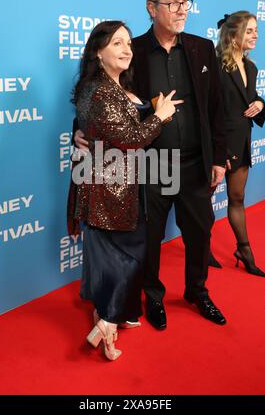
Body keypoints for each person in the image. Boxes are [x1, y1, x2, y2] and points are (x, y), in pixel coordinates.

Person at [75, 0, 228, 329]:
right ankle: (153, 297)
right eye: (172, 3)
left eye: (185, 2)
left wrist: (220, 158)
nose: (181, 10)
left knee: (199, 233)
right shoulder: (133, 51)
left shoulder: (202, 48)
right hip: (154, 165)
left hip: (194, 163)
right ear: (151, 7)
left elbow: (217, 109)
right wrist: (79, 132)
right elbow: (101, 93)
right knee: (151, 237)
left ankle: (197, 292)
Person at [67, 20, 180, 360]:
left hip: (124, 186)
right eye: (117, 43)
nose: (127, 49)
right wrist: (160, 116)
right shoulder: (99, 90)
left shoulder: (111, 86)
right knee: (123, 259)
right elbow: (129, 140)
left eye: (128, 43)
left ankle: (112, 317)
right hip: (109, 190)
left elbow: (103, 129)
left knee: (118, 259)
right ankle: (106, 324)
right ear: (98, 51)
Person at [215, 11, 265, 277]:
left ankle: (244, 250)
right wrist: (217, 151)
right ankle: (200, 249)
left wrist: (260, 103)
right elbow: (207, 111)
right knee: (202, 203)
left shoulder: (252, 67)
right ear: (233, 35)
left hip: (242, 141)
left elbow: (252, 97)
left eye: (256, 30)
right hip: (218, 144)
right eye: (249, 30)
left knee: (237, 198)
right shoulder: (215, 65)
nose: (255, 35)